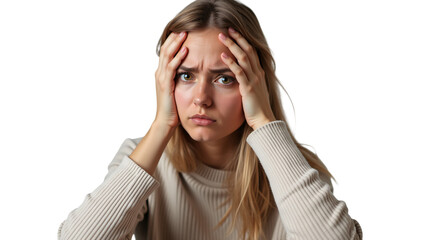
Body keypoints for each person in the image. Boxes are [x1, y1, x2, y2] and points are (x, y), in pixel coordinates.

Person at [58, 0, 363, 239]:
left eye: (224, 79)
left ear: (254, 84)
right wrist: (161, 126)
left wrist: (263, 120)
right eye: (185, 75)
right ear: (166, 81)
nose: (201, 98)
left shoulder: (290, 169)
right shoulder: (144, 159)